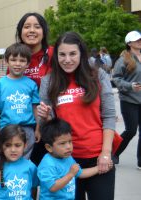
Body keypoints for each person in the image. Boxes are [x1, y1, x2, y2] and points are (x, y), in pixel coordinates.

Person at [38, 32, 116, 200]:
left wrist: (106, 153)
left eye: (73, 54)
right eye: (62, 54)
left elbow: (109, 115)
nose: (67, 59)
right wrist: (44, 117)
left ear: (81, 53)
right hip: (66, 161)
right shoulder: (49, 81)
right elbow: (49, 126)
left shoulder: (98, 75)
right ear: (56, 56)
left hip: (99, 157)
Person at [15, 12, 54, 165]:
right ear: (20, 32)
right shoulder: (16, 57)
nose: (31, 30)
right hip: (22, 126)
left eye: (37, 27)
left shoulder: (53, 54)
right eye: (27, 27)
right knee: (24, 174)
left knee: (47, 173)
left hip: (49, 124)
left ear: (43, 31)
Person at [0, 43, 40, 158]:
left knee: (24, 161)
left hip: (27, 129)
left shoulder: (31, 85)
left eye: (22, 61)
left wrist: (38, 129)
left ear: (27, 64)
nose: (17, 64)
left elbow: (35, 108)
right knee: (4, 160)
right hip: (6, 128)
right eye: (13, 60)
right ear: (6, 61)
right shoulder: (0, 85)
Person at [38, 118, 100, 199]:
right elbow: (52, 187)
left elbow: (79, 173)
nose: (68, 147)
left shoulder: (68, 157)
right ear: (49, 147)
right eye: (62, 143)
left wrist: (98, 168)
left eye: (70, 141)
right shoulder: (47, 164)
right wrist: (70, 174)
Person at [113, 30, 141, 167]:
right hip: (129, 100)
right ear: (129, 43)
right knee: (131, 130)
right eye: (137, 40)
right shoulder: (124, 59)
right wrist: (130, 86)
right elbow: (116, 79)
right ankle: (114, 152)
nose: (139, 41)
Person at [0, 125, 38, 200]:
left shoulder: (30, 166)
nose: (13, 150)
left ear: (25, 145)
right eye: (8, 145)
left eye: (17, 145)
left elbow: (34, 187)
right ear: (1, 146)